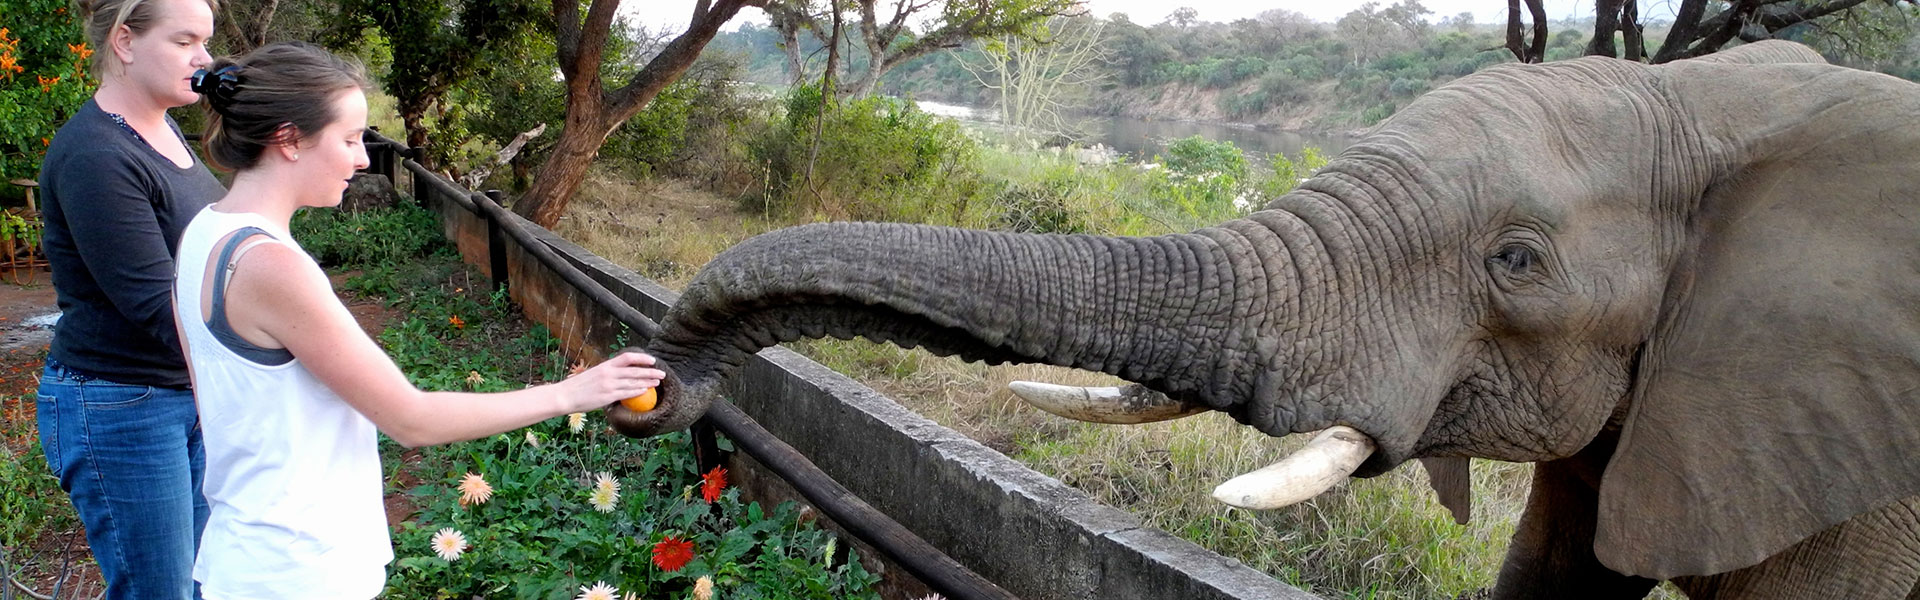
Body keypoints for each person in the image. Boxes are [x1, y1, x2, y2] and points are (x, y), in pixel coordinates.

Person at [171, 42, 665, 598]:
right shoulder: (273, 267)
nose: (362, 158)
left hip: (247, 549)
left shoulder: (203, 233)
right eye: (350, 138)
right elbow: (412, 419)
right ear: (288, 139)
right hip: (300, 565)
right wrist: (575, 393)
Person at [35, 0, 221, 597]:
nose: (205, 58)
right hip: (121, 406)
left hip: (180, 392)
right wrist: (279, 350)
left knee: (200, 581)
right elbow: (157, 305)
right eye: (186, 40)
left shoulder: (163, 128)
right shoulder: (96, 155)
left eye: (206, 41)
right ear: (124, 41)